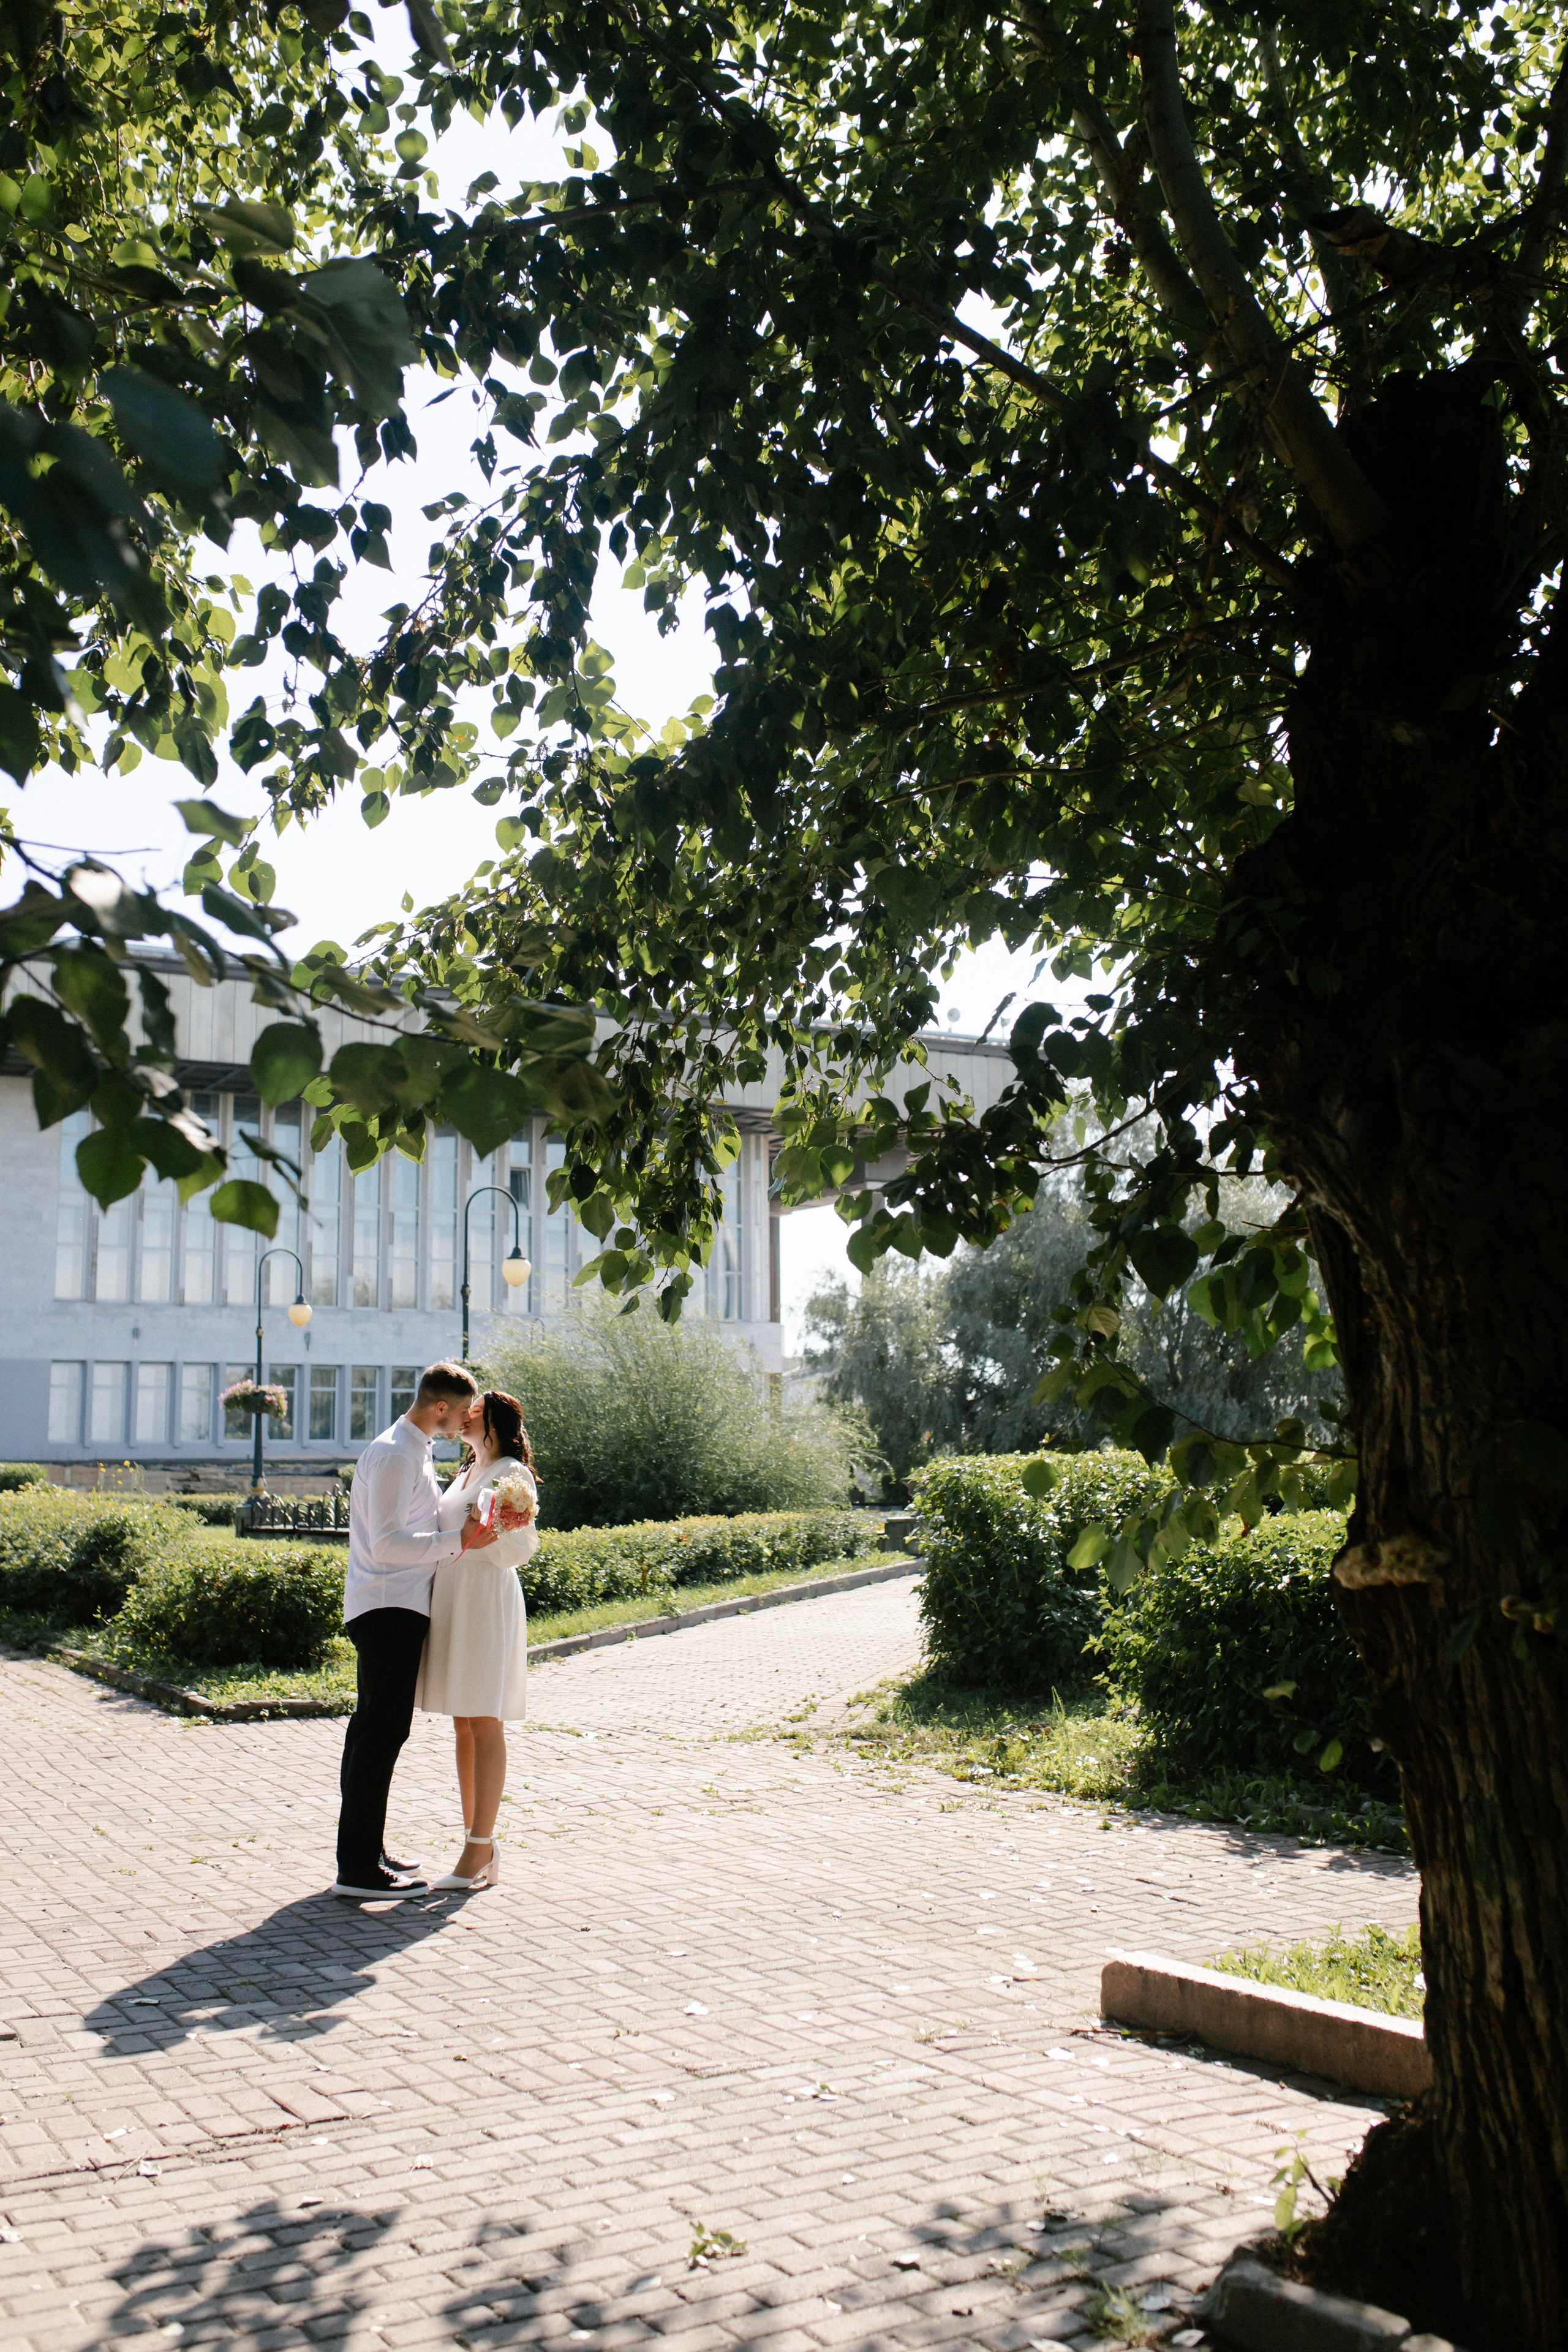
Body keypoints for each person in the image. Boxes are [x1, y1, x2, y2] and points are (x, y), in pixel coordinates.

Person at [331, 1360, 499, 1899]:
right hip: (386, 1607)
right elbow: (385, 1544)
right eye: (464, 1413)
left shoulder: (413, 1451)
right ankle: (357, 1868)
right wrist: (456, 1543)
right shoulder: (395, 1453)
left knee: (375, 1732)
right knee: (380, 1733)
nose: (466, 1423)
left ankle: (365, 1850)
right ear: (441, 1408)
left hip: (396, 1606)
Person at [417, 1388, 538, 1890]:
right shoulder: (467, 1472)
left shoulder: (514, 1472)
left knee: (484, 1719)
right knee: (462, 1722)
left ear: (493, 1421)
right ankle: (477, 1839)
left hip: (486, 1598)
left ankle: (479, 1847)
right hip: (454, 1598)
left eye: (473, 1412)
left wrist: (480, 1540)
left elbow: (521, 1546)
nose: (463, 1418)